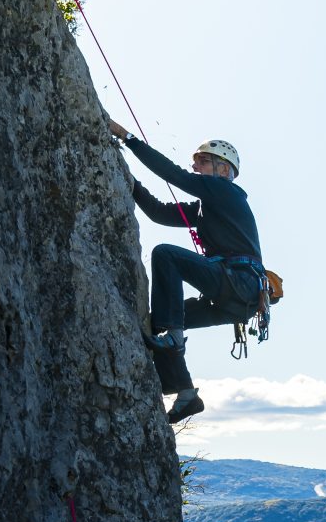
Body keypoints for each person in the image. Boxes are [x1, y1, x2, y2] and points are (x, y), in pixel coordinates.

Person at [108, 119, 265, 425]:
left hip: (238, 283)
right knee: (160, 321)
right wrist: (129, 181)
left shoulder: (226, 193)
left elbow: (172, 175)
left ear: (223, 170)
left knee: (166, 255)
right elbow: (158, 212)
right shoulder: (208, 207)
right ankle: (184, 392)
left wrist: (127, 138)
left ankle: (173, 340)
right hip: (236, 300)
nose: (196, 168)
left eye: (203, 162)